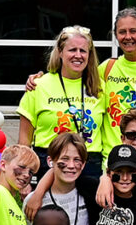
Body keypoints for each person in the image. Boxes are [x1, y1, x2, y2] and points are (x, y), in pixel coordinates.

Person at [18, 26, 111, 156]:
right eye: (72, 50)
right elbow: (24, 142)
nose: (78, 55)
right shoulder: (38, 86)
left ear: (89, 55)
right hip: (50, 161)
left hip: (90, 163)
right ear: (60, 52)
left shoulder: (100, 87)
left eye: (83, 51)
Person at [22, 133, 99, 225]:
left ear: (84, 164)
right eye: (65, 159)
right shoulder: (35, 201)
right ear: (50, 161)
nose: (71, 165)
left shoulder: (89, 193)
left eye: (77, 160)